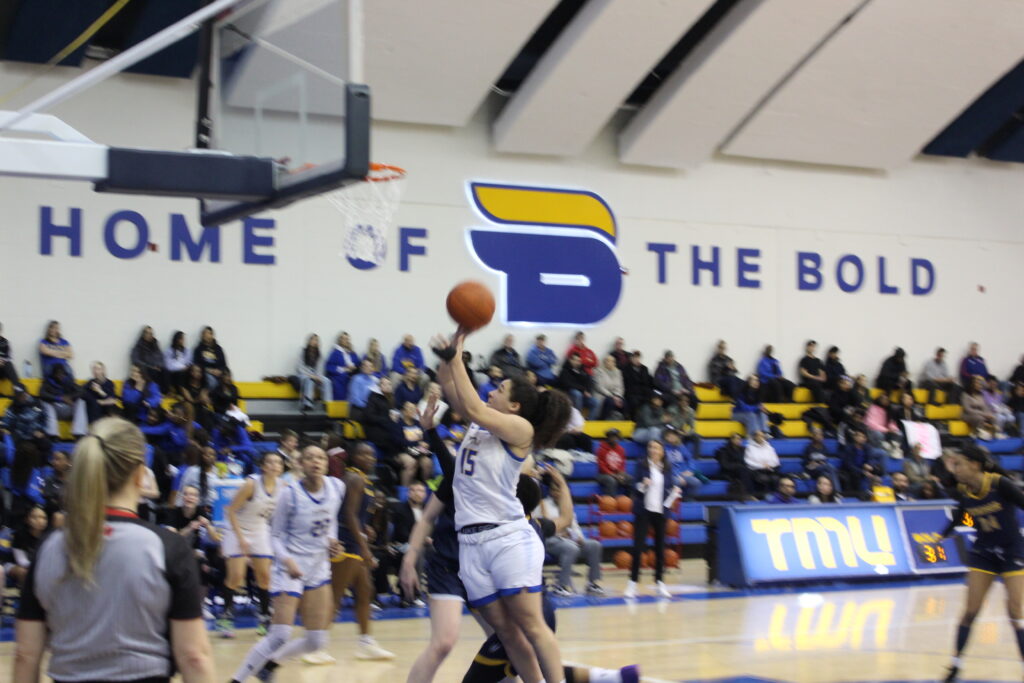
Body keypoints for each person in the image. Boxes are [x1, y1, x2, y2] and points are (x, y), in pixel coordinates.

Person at [14, 417, 214, 683]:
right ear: (140, 474)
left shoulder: (49, 547)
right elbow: (194, 657)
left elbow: (26, 656)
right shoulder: (166, 547)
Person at [432, 326, 573, 683]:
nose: (492, 391)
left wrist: (456, 357)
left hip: (507, 538)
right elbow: (454, 392)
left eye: (500, 389)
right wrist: (451, 352)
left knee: (531, 624)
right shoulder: (481, 427)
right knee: (506, 633)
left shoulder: (520, 431)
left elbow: (474, 406)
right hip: (471, 543)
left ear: (515, 406)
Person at [230, 446, 344, 683]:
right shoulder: (289, 494)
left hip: (318, 566)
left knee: (316, 641)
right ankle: (237, 679)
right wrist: (287, 560)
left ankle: (270, 664)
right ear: (300, 464)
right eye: (310, 457)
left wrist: (333, 542)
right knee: (280, 634)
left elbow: (330, 521)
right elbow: (275, 535)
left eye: (321, 457)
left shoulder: (336, 487)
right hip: (289, 566)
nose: (316, 461)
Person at [939, 445, 1024, 683]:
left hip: (1011, 550)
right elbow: (960, 513)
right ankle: (956, 665)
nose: (956, 470)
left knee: (1015, 613)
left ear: (975, 465)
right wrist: (940, 535)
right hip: (983, 552)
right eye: (954, 466)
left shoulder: (1000, 484)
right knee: (970, 611)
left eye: (959, 465)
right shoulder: (964, 489)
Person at [328, 441, 396, 660]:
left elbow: (356, 514)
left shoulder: (362, 479)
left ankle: (366, 642)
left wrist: (365, 526)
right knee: (336, 596)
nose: (370, 458)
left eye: (372, 455)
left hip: (354, 541)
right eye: (364, 454)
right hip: (346, 542)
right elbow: (348, 515)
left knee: (365, 591)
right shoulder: (354, 477)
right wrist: (365, 547)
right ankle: (316, 644)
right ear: (354, 457)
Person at [220, 451, 285, 637]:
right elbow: (230, 511)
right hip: (236, 527)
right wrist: (240, 538)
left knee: (264, 576)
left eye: (278, 462)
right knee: (236, 576)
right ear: (263, 466)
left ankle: (265, 617)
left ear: (281, 468)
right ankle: (225, 617)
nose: (274, 465)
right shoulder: (251, 484)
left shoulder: (284, 486)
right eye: (270, 461)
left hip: (260, 528)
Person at [624, 439, 679, 599]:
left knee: (660, 548)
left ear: (662, 451)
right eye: (651, 447)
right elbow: (634, 486)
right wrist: (643, 485)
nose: (653, 450)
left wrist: (674, 492)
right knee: (638, 547)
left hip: (661, 512)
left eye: (656, 447)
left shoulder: (667, 468)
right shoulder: (642, 465)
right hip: (644, 511)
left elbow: (668, 487)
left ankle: (660, 582)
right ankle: (632, 584)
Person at [537, 469, 605, 597]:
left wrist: (579, 538)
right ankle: (561, 585)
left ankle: (592, 583)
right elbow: (543, 528)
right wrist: (561, 533)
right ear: (550, 491)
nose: (556, 492)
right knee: (571, 548)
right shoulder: (543, 504)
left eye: (559, 490)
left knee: (594, 545)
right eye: (553, 490)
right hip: (550, 541)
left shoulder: (567, 505)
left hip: (569, 540)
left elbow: (574, 526)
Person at [38, 363, 86, 437]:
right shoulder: (48, 382)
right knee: (45, 402)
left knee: (81, 401)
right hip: (55, 411)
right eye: (58, 374)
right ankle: (52, 434)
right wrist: (60, 398)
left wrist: (70, 397)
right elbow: (42, 394)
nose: (60, 376)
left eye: (62, 374)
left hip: (68, 409)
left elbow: (81, 391)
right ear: (53, 374)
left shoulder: (69, 381)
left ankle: (78, 433)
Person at [8, 505, 49, 585]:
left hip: (38, 566)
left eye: (44, 518)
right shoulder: (19, 535)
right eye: (35, 517)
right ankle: (25, 595)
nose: (40, 521)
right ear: (27, 520)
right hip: (15, 564)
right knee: (23, 572)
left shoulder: (49, 537)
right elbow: (21, 561)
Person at [297, 333, 332, 411]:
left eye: (316, 340)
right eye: (312, 339)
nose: (314, 341)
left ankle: (327, 404)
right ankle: (307, 404)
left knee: (327, 381)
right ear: (308, 341)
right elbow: (300, 368)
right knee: (310, 381)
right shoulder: (302, 351)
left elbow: (320, 368)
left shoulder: (319, 354)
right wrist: (312, 376)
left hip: (316, 375)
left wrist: (318, 376)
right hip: (304, 375)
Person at [324, 332, 360, 400]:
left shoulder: (352, 352)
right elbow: (329, 366)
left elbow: (358, 363)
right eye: (344, 339)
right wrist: (344, 369)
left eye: (347, 339)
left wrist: (354, 367)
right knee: (340, 380)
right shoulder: (335, 352)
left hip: (352, 374)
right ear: (340, 340)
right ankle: (340, 404)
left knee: (358, 379)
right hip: (338, 375)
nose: (346, 340)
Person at [716, 433, 752, 500]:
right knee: (743, 471)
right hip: (727, 472)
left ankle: (758, 494)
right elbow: (725, 465)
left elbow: (747, 461)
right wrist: (738, 466)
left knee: (752, 472)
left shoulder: (743, 449)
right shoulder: (724, 450)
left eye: (740, 439)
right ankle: (747, 494)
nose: (739, 440)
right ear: (731, 440)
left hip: (741, 470)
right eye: (736, 438)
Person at [744, 430, 780, 496]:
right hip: (755, 470)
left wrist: (769, 465)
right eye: (759, 435)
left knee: (775, 478)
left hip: (770, 470)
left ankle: (776, 497)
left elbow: (776, 461)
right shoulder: (749, 448)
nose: (761, 437)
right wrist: (761, 466)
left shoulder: (769, 448)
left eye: (762, 435)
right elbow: (748, 461)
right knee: (763, 478)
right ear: (754, 437)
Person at [596, 428, 631, 496]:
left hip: (617, 474)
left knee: (630, 479)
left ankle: (628, 500)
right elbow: (602, 467)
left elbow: (622, 464)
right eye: (612, 437)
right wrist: (614, 476)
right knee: (611, 481)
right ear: (608, 438)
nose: (614, 439)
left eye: (616, 437)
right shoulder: (601, 449)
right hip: (602, 475)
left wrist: (621, 474)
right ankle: (611, 502)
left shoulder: (621, 449)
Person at [131, 325, 166, 392]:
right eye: (147, 333)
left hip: (156, 367)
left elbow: (161, 357)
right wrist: (150, 366)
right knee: (152, 371)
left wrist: (159, 365)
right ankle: (154, 392)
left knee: (165, 371)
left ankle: (165, 392)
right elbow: (135, 359)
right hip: (146, 368)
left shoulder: (155, 345)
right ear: (143, 334)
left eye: (151, 333)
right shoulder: (139, 346)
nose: (149, 335)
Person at [962, 375, 997, 439]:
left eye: (980, 384)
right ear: (972, 384)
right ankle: (979, 436)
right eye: (977, 383)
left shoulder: (981, 395)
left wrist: (989, 414)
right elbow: (968, 409)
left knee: (993, 417)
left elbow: (985, 407)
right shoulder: (965, 395)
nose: (980, 385)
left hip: (980, 414)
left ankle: (993, 435)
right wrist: (984, 414)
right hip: (967, 415)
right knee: (980, 418)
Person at [622, 351, 654, 418]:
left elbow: (647, 381)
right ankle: (634, 418)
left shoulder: (644, 369)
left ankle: (648, 417)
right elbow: (627, 382)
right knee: (634, 401)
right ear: (631, 358)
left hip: (643, 392)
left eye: (638, 358)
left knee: (652, 398)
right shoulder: (626, 368)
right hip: (632, 392)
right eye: (635, 358)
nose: (637, 360)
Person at [594, 354, 626, 419]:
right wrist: (612, 396)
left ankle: (622, 421)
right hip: (602, 395)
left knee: (624, 403)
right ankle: (603, 419)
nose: (610, 362)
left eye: (612, 361)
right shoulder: (598, 371)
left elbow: (620, 387)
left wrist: (618, 396)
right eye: (607, 361)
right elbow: (599, 387)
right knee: (610, 402)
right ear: (604, 362)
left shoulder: (618, 372)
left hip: (615, 395)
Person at [0, 321, 22, 389]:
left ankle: (18, 390)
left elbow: (10, 357)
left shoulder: (6, 342)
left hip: (3, 369)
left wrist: (3, 361)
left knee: (9, 364)